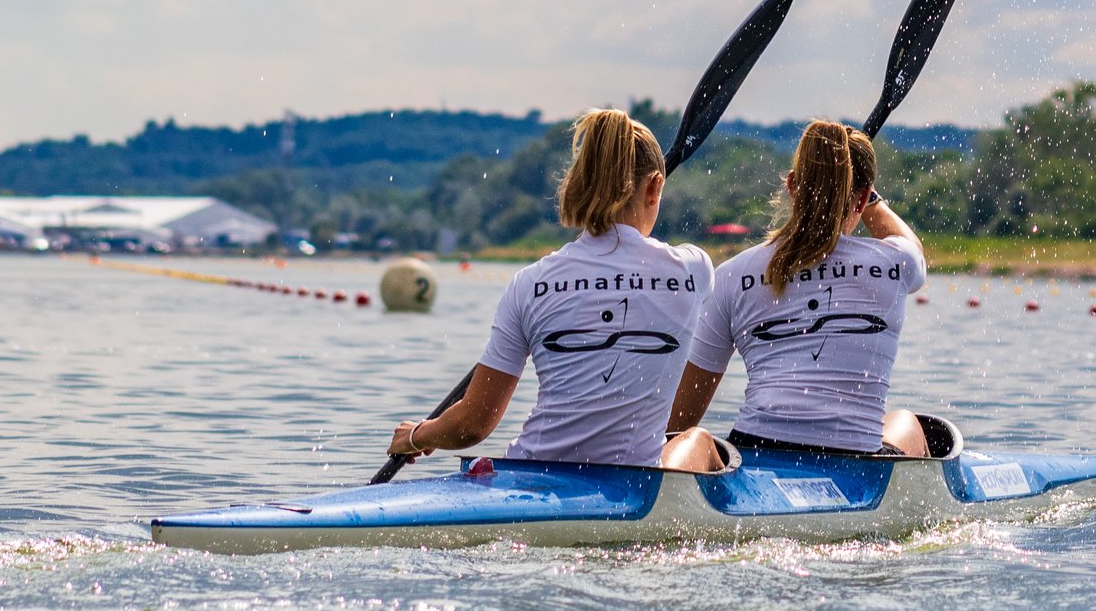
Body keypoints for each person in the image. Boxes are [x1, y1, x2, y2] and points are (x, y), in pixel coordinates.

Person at [386, 109, 727, 472]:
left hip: (531, 471)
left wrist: (418, 435)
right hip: (631, 479)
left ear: (580, 182)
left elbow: (473, 424)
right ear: (656, 188)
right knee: (700, 439)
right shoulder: (692, 268)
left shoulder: (530, 282)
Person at [668, 120, 931, 458]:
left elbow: (680, 421)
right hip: (855, 460)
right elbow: (911, 245)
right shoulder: (897, 262)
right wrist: (870, 199)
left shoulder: (733, 274)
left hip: (756, 451)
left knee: (692, 439)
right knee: (906, 423)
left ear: (792, 185)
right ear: (863, 198)